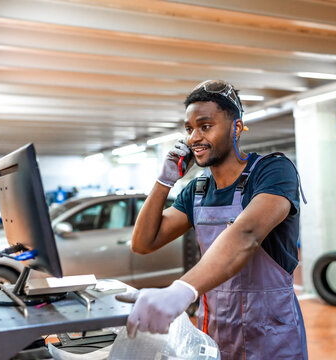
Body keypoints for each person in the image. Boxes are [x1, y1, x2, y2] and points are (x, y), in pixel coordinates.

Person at [126, 80, 308, 359]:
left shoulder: (272, 171)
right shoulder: (198, 190)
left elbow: (246, 235)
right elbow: (143, 243)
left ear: (236, 128)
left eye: (205, 126)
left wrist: (182, 290)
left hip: (272, 339)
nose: (193, 138)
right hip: (215, 337)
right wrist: (164, 182)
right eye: (189, 129)